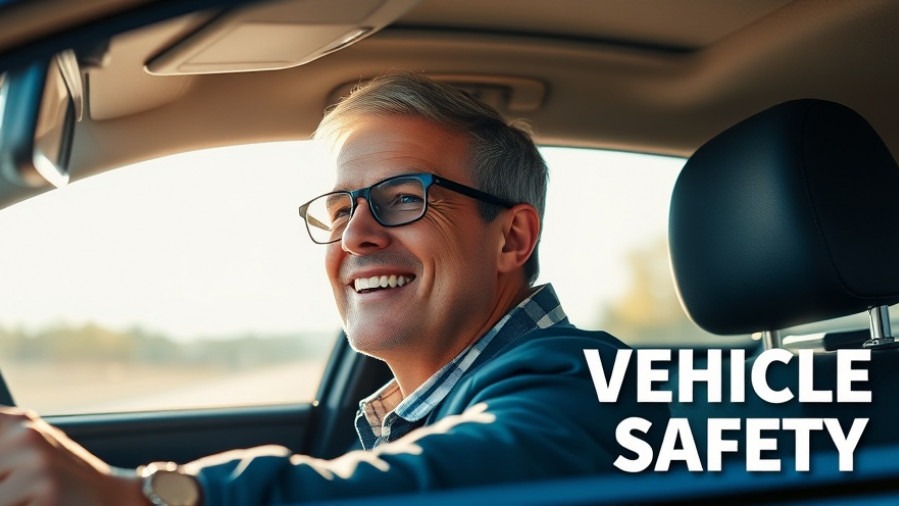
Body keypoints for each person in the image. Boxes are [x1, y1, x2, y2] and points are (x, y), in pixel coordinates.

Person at [0, 73, 668, 505]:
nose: (355, 237)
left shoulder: (590, 381)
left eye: (403, 198)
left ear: (511, 240)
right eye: (341, 210)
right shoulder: (405, 416)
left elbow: (439, 485)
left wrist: (142, 497)